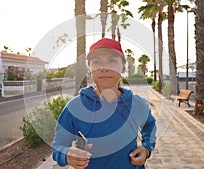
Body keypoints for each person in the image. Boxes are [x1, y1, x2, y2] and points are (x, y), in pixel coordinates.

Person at [51, 38, 156, 169]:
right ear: (89, 68)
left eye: (112, 61)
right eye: (96, 62)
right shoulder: (75, 107)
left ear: (123, 67)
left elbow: (150, 125)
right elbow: (57, 146)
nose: (104, 68)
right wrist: (66, 154)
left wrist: (146, 149)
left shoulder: (137, 104)